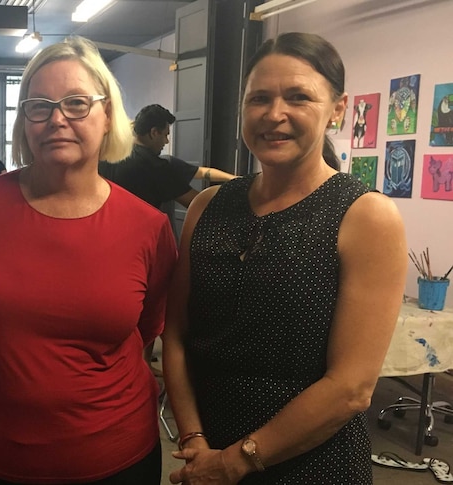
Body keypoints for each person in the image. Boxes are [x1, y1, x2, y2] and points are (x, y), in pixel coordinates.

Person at [162, 32, 407, 484]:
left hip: (312, 463)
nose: (275, 114)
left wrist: (235, 462)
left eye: (299, 97)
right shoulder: (208, 206)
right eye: (259, 98)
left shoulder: (365, 215)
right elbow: (175, 334)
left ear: (337, 109)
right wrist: (194, 438)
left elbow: (350, 388)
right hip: (207, 454)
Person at [0, 36, 178, 484]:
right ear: (24, 122)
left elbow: (148, 328)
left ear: (107, 117)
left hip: (115, 459)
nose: (57, 119)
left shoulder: (147, 226)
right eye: (39, 105)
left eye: (77, 103)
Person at [99, 104, 236, 210]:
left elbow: (202, 172)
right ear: (154, 133)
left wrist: (234, 180)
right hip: (137, 237)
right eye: (165, 135)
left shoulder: (108, 154)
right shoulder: (155, 167)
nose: (167, 141)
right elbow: (197, 204)